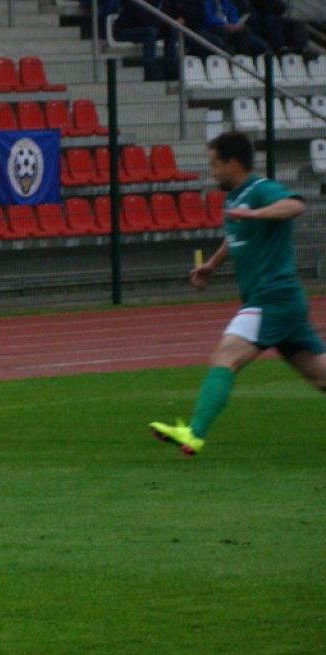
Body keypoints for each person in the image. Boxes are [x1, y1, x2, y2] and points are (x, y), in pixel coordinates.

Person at [149, 131, 326, 457]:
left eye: (215, 164)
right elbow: (237, 234)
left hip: (272, 298)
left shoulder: (260, 190)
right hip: (282, 304)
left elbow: (295, 205)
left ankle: (194, 433)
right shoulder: (233, 198)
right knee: (320, 378)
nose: (211, 172)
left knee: (224, 358)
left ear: (232, 163)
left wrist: (257, 213)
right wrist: (213, 265)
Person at [112, 0, 180, 80]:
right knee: (150, 32)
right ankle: (150, 69)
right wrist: (161, 23)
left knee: (170, 31)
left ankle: (170, 68)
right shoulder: (138, 2)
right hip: (125, 31)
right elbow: (143, 21)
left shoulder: (163, 3)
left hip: (148, 29)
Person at [202, 0, 269, 56]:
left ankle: (243, 56)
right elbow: (209, 18)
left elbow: (233, 14)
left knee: (246, 30)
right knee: (223, 34)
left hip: (231, 28)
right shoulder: (206, 2)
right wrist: (224, 25)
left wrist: (236, 25)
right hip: (214, 28)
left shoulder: (227, 2)